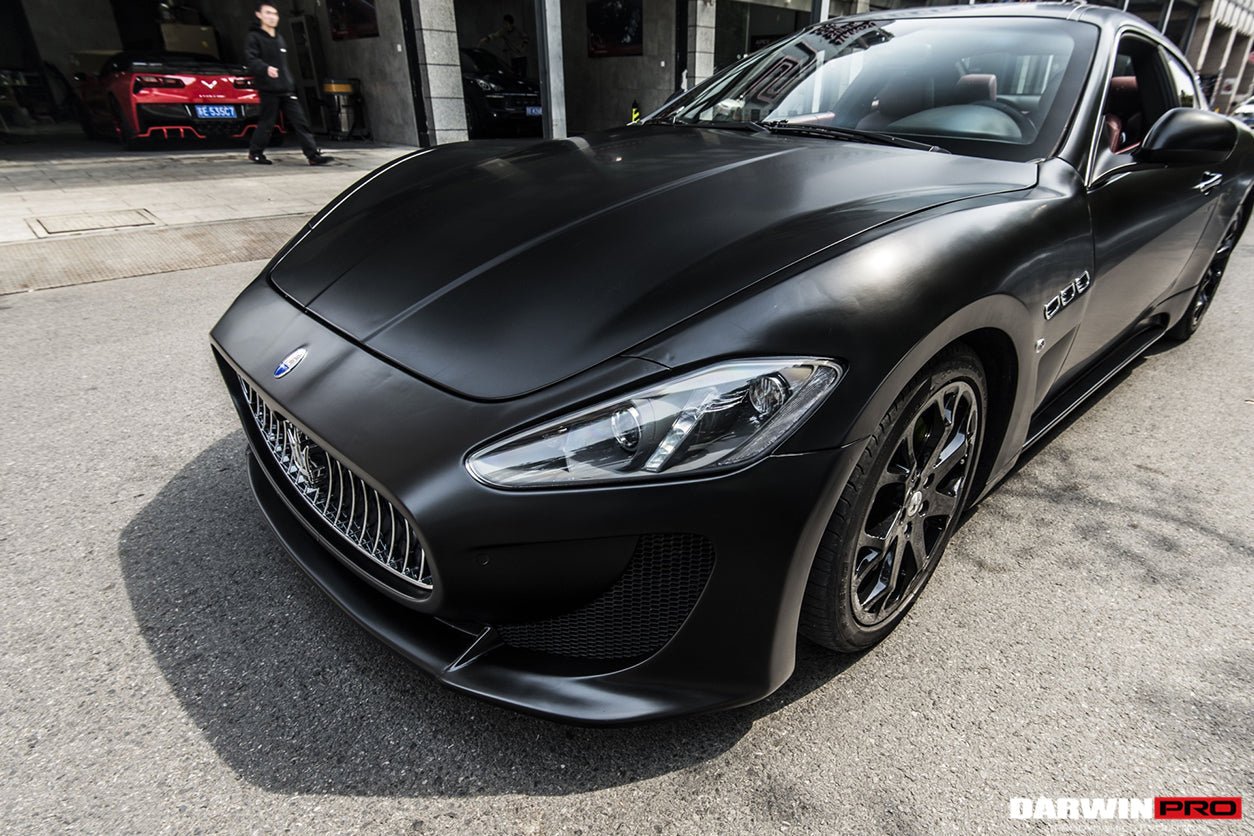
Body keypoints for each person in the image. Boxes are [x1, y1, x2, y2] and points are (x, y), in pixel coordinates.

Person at [244, 2, 332, 166]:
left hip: (286, 89)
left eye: (275, 14)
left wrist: (289, 82)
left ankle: (312, 155)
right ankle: (255, 152)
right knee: (267, 123)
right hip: (268, 89)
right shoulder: (254, 37)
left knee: (300, 122)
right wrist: (266, 68)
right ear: (259, 15)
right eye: (268, 13)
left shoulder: (279, 38)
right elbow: (251, 60)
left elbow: (284, 66)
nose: (272, 17)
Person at [479, 14, 530, 78]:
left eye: (506, 24)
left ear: (511, 24)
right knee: (515, 75)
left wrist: (522, 47)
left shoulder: (518, 30)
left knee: (523, 76)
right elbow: (495, 35)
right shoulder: (503, 31)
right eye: (504, 23)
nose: (505, 25)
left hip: (522, 56)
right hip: (513, 57)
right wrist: (486, 38)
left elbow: (526, 38)